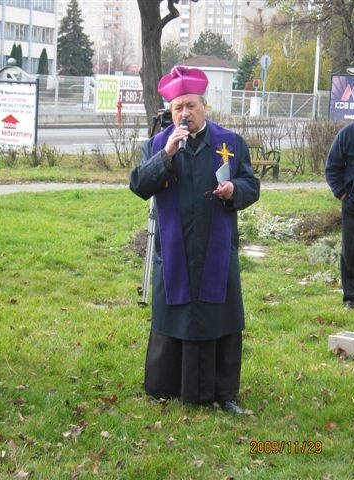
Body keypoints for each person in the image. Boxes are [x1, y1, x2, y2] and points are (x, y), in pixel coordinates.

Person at [130, 65, 260, 414]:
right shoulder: (158, 144)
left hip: (217, 248)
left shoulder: (230, 143)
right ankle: (166, 386)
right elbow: (140, 185)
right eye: (177, 108)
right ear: (170, 112)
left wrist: (235, 189)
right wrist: (166, 155)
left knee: (219, 314)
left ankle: (223, 392)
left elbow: (252, 186)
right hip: (174, 249)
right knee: (176, 312)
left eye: (190, 105)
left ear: (204, 106)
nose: (184, 113)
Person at [325, 121, 354, 309]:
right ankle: (352, 298)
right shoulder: (348, 134)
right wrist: (343, 194)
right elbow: (332, 167)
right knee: (352, 250)